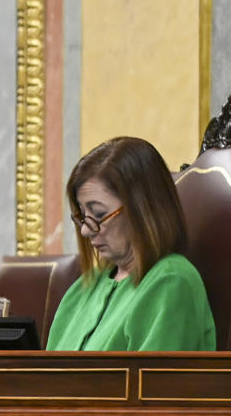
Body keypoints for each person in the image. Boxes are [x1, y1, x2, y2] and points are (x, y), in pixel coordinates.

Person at [45, 137, 217, 351]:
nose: (85, 230)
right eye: (82, 214)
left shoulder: (171, 283)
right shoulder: (84, 287)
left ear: (143, 210)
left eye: (99, 214)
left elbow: (154, 383)